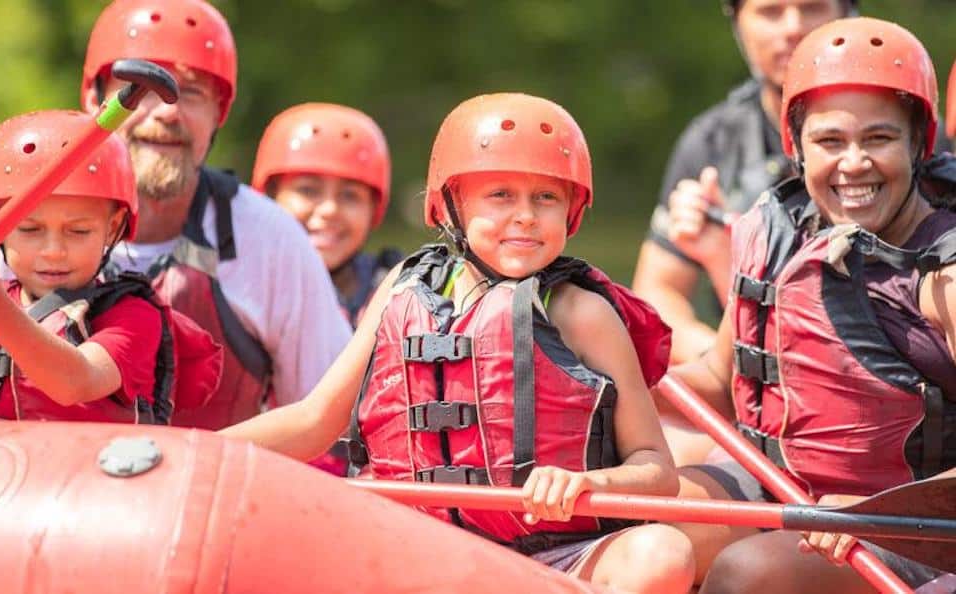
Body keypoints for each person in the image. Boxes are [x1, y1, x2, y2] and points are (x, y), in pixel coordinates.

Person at [222, 93, 694, 593]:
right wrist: (194, 449)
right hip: (419, 548)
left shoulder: (582, 312)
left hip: (555, 559)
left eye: (546, 198)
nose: (527, 216)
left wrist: (591, 482)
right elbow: (315, 421)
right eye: (500, 195)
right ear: (450, 205)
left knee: (662, 554)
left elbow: (656, 468)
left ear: (571, 210)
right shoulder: (404, 288)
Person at [643, 18, 956, 592]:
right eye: (830, 141)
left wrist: (881, 512)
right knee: (644, 529)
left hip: (916, 524)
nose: (854, 162)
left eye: (879, 139)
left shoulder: (944, 271)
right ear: (797, 145)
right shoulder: (775, 231)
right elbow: (719, 377)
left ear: (918, 143)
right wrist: (604, 401)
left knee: (747, 577)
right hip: (781, 486)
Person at [78, 0, 351, 429]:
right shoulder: (7, 224)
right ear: (95, 100)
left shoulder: (271, 239)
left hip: (210, 492)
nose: (167, 110)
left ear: (218, 114)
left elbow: (332, 423)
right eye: (141, 88)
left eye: (190, 92)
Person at [630, 0, 856, 468]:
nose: (792, 29)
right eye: (771, 11)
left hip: (870, 407)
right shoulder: (712, 140)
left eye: (811, 7)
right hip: (746, 390)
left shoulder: (912, 132)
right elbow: (656, 292)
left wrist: (722, 262)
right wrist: (723, 354)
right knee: (652, 453)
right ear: (737, 23)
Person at [0, 109, 218, 423]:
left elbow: (75, 382)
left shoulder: (133, 318)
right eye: (30, 229)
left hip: (88, 472)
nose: (53, 252)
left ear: (112, 227)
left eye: (78, 231)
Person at [252, 103, 402, 330]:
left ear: (373, 209)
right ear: (270, 196)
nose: (330, 209)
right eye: (308, 190)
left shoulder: (399, 296)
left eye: (350, 195)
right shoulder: (235, 285)